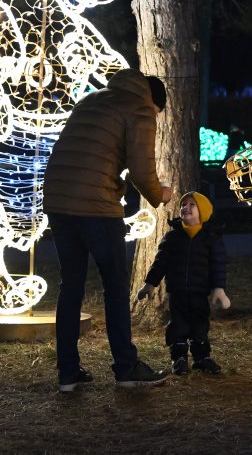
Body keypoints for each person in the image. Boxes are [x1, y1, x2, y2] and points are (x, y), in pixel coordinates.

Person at [43, 69, 173, 392]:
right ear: (154, 102)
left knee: (70, 285)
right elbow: (143, 170)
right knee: (115, 284)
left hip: (58, 199)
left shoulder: (92, 99)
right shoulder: (140, 108)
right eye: (158, 113)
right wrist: (161, 195)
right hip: (96, 205)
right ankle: (127, 368)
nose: (155, 119)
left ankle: (68, 373)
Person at [136, 191, 230, 375]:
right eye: (183, 205)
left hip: (200, 292)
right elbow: (160, 263)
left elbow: (218, 264)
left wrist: (219, 288)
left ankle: (202, 358)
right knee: (177, 326)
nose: (185, 208)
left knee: (200, 325)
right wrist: (150, 284)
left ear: (202, 211)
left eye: (191, 205)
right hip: (177, 292)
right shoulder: (173, 238)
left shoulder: (211, 238)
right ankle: (178, 359)